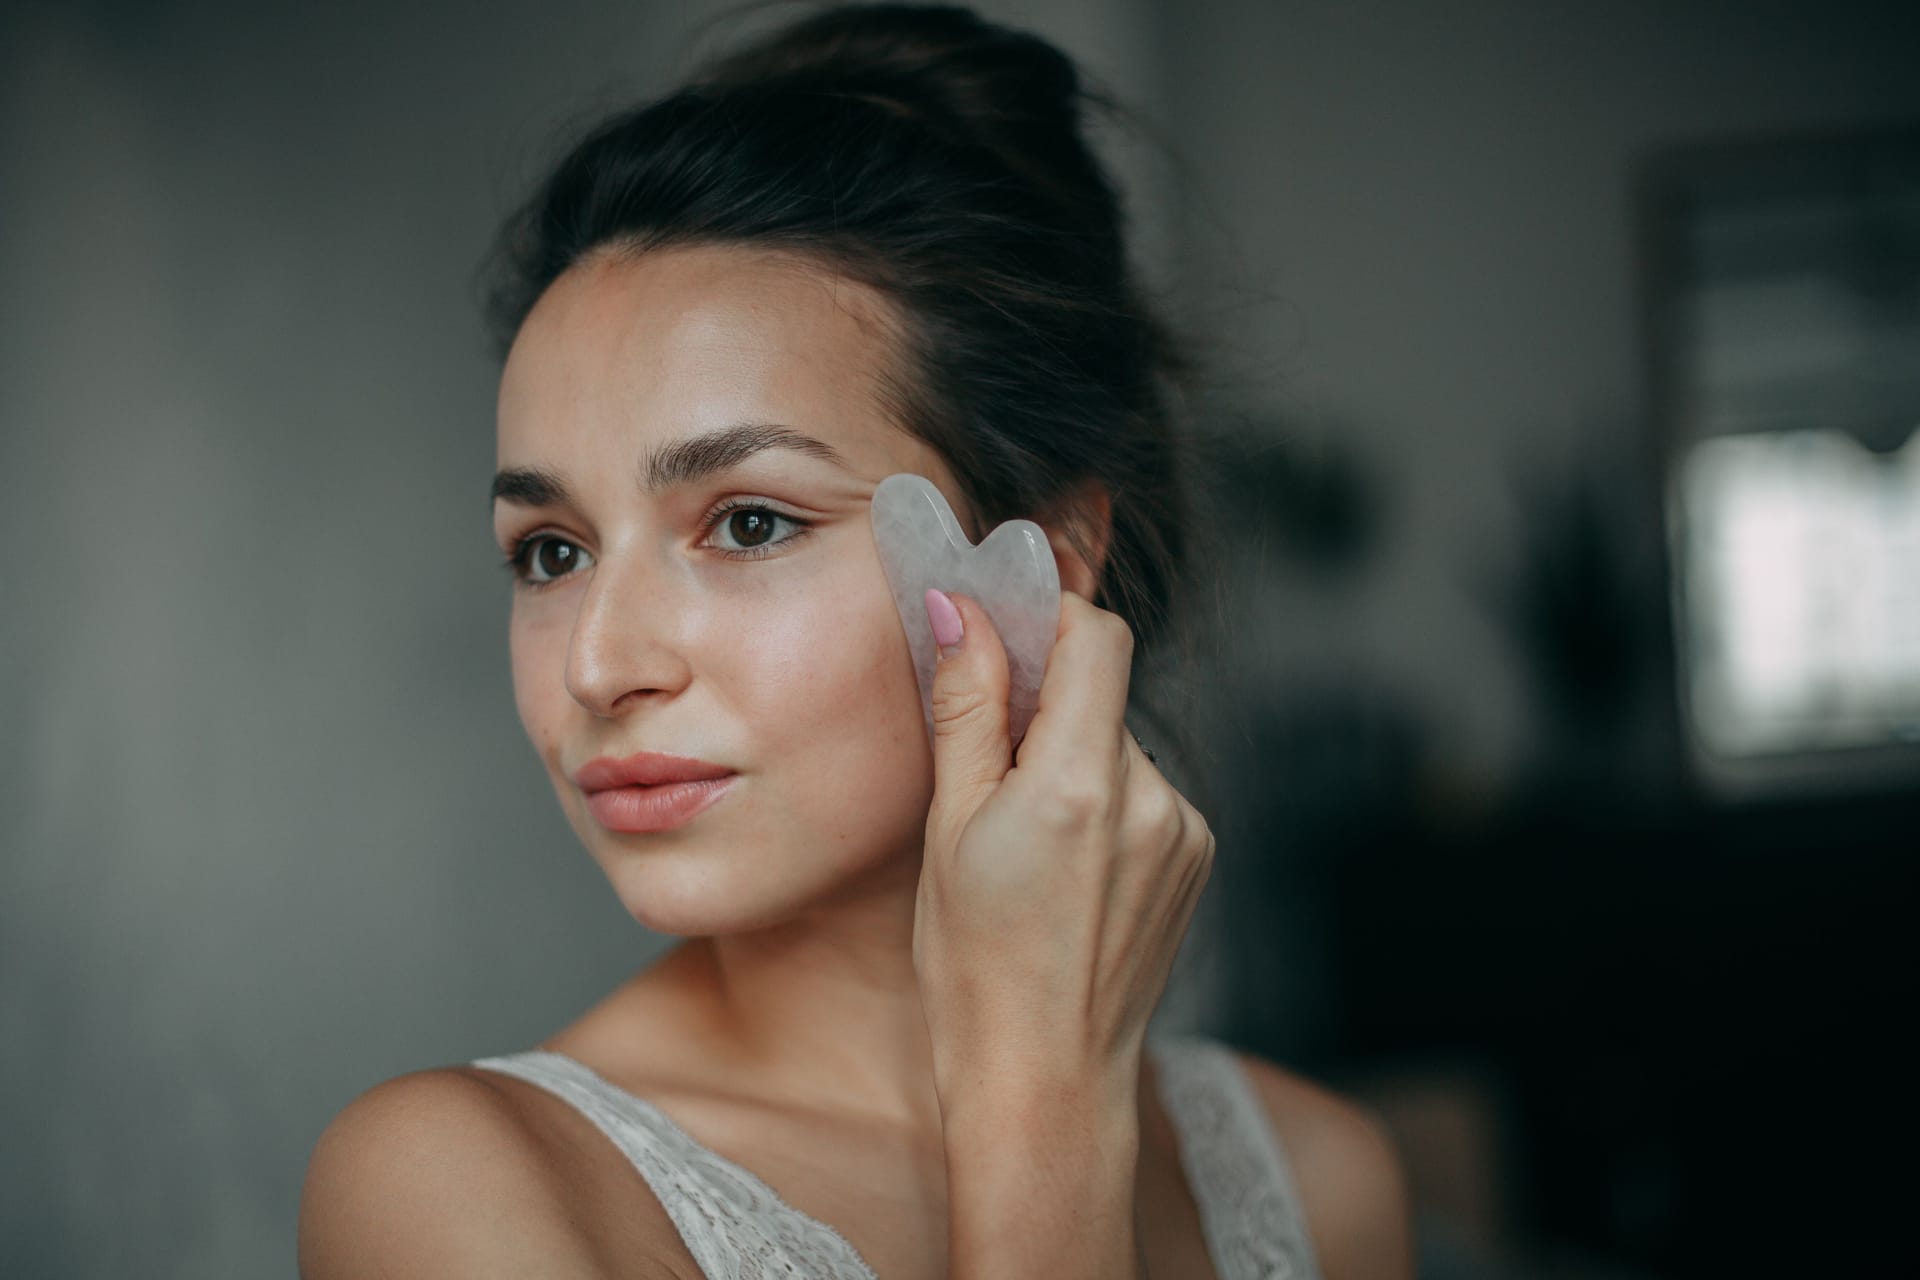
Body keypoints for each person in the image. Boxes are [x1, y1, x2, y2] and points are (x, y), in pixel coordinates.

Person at [298, 4, 1413, 1277]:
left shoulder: (1321, 1180)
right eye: (550, 549)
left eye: (751, 520)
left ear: (1045, 560)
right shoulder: (460, 1190)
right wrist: (1036, 1112)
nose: (597, 666)